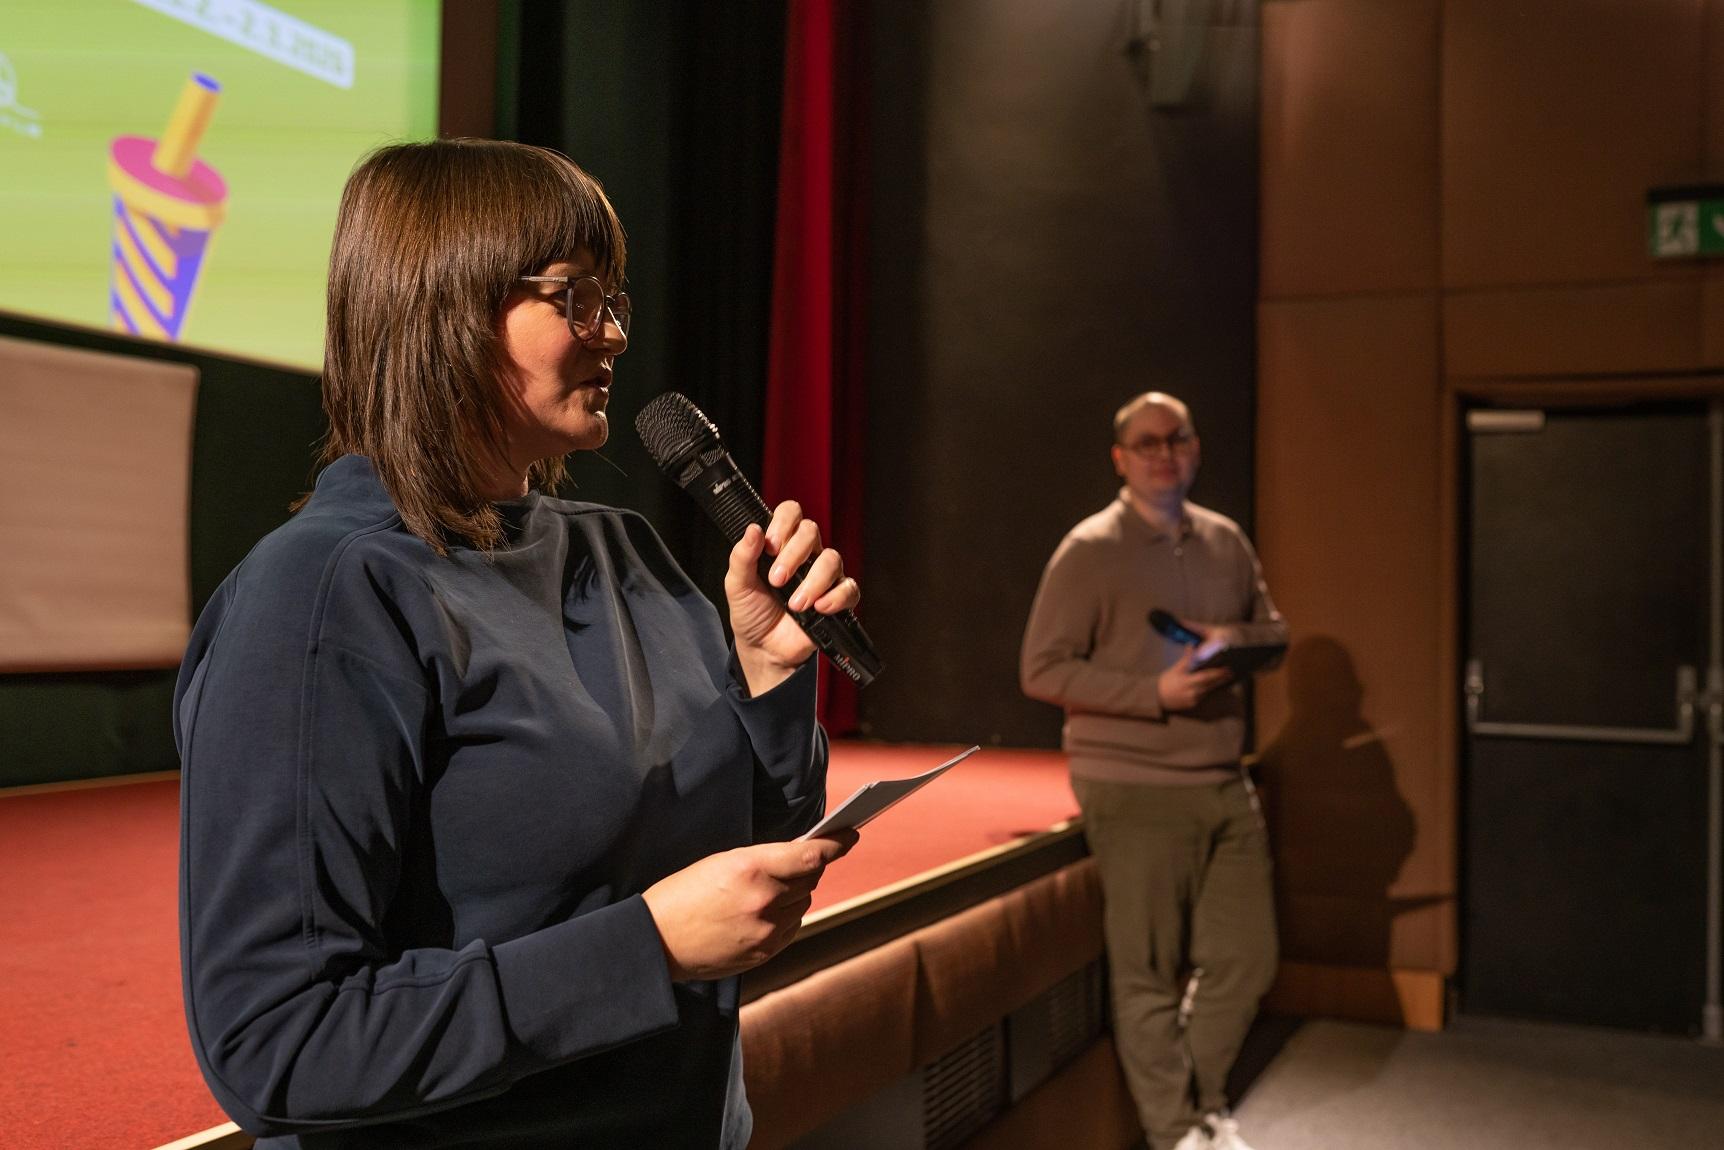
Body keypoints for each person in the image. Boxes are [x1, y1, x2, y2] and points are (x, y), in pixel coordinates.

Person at [174, 138, 861, 1149]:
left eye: (613, 298)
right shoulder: (323, 597)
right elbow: (279, 1042)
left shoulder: (620, 550)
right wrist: (648, 947)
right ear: (441, 308)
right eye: (573, 297)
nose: (614, 334)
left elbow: (745, 844)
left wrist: (766, 680)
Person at [1020, 392, 1286, 1150]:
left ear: (1195, 449)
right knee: (1146, 971)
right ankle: (1179, 1133)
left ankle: (1197, 1102)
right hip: (1130, 782)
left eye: (1177, 438)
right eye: (1147, 442)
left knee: (1248, 958)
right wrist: (1153, 693)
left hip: (1222, 776)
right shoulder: (1089, 549)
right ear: (1121, 459)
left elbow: (1275, 634)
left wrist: (1230, 637)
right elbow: (1040, 669)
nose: (1164, 451)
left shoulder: (1226, 541)